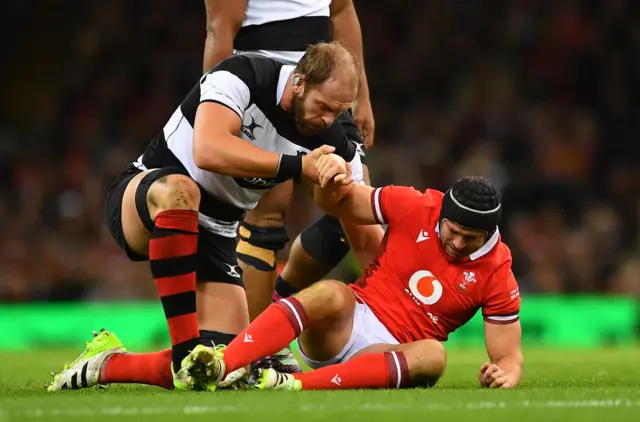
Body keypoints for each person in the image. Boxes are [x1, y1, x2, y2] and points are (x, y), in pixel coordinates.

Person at [47, 42, 363, 392]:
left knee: (225, 369)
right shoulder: (242, 75)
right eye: (323, 107)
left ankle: (107, 364)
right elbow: (208, 149)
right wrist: (300, 166)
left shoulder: (334, 133)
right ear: (299, 82)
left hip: (218, 234)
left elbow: (350, 206)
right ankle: (184, 351)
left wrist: (334, 180)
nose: (327, 120)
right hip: (148, 199)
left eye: (338, 112)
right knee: (184, 191)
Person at [184, 170, 524, 391]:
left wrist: (505, 376)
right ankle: (223, 362)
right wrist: (329, 184)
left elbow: (508, 355)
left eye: (472, 238)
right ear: (442, 216)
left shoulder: (498, 271)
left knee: (434, 356)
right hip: (344, 324)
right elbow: (338, 204)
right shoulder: (416, 205)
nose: (460, 244)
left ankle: (293, 383)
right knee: (332, 290)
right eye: (455, 232)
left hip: (394, 352)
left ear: (489, 233)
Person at [203, 1, 381, 374]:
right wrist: (219, 111)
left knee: (352, 216)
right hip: (267, 92)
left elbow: (343, 12)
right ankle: (251, 351)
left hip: (328, 93)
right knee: (265, 223)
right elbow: (220, 30)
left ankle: (276, 310)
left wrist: (360, 96)